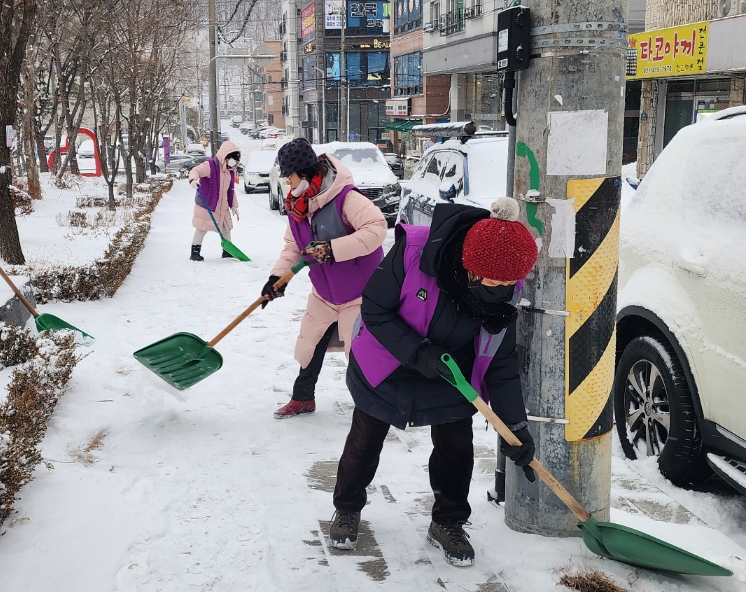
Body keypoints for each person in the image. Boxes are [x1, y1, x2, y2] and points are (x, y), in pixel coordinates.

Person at [328, 197, 540, 567]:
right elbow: (375, 309)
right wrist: (417, 352)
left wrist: (516, 428)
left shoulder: (506, 286)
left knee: (456, 448)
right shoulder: (413, 252)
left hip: (452, 370)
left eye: (509, 284)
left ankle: (448, 522)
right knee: (365, 439)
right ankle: (347, 507)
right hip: (388, 359)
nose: (502, 290)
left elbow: (502, 363)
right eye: (494, 282)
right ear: (469, 268)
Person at [262, 137, 387, 419]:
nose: (287, 182)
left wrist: (332, 249)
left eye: (289, 176)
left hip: (360, 293)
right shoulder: (298, 206)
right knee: (311, 342)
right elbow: (293, 247)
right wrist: (276, 278)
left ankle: (373, 407)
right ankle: (303, 398)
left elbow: (376, 229)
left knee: (362, 354)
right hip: (324, 293)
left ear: (303, 172)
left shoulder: (346, 197)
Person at [188, 140, 242, 261]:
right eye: (232, 160)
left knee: (225, 228)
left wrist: (234, 206)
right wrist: (193, 180)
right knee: (202, 227)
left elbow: (230, 190)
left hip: (222, 206)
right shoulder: (210, 165)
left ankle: (227, 251)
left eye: (235, 161)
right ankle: (195, 253)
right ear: (225, 156)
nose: (233, 163)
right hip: (208, 204)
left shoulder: (230, 171)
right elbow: (196, 171)